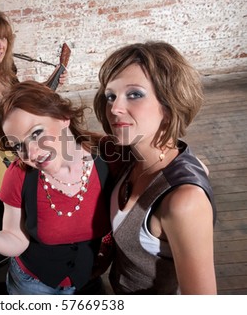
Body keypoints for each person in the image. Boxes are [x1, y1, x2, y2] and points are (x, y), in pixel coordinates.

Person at [0, 81, 111, 295]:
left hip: (84, 279)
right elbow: (16, 240)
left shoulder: (108, 162)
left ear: (63, 117)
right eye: (18, 146)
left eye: (36, 133)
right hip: (32, 285)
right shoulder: (18, 174)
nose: (31, 153)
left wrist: (107, 254)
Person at [93, 41, 217, 294]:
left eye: (135, 94)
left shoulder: (183, 202)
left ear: (169, 104)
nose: (114, 108)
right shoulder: (131, 153)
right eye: (110, 96)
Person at [0, 9, 67, 174]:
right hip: (0, 162)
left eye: (4, 38)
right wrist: (8, 121)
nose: (0, 45)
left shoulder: (7, 71)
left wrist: (52, 81)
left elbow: (21, 101)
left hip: (25, 147)